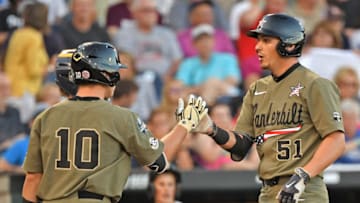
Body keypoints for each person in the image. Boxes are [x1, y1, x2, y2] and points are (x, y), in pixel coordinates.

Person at [21, 41, 208, 203]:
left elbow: (32, 180)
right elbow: (158, 161)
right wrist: (183, 126)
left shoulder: (45, 117)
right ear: (105, 73)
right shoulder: (122, 117)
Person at [190, 13, 346, 202]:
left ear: (289, 44)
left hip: (304, 191)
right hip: (267, 191)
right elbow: (240, 146)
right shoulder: (257, 89)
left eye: (266, 40)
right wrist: (211, 129)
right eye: (258, 41)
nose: (257, 47)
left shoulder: (315, 84)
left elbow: (336, 140)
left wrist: (302, 176)